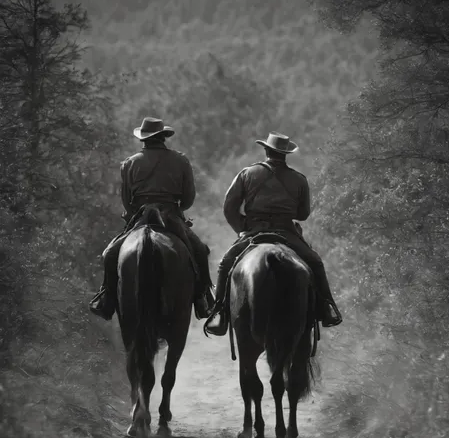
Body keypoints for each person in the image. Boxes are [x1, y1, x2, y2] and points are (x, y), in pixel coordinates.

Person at [204, 131, 342, 336]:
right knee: (315, 262)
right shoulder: (299, 179)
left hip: (254, 231)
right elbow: (303, 214)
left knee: (226, 264)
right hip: (287, 232)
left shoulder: (247, 173)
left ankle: (220, 314)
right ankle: (327, 308)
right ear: (286, 154)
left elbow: (229, 207)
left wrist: (243, 228)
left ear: (266, 150)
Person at [89, 117, 214, 321]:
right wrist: (176, 209)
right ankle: (202, 299)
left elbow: (126, 200)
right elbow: (189, 198)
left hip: (140, 216)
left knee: (110, 254)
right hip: (172, 215)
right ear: (163, 137)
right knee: (200, 250)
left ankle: (107, 299)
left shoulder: (130, 163)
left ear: (143, 139)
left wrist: (135, 212)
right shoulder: (181, 160)